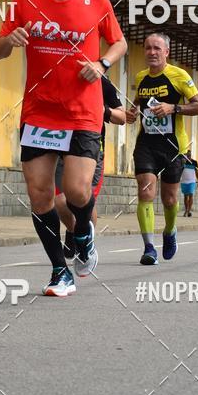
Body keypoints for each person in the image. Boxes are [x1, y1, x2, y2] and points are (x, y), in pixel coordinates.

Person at [0, 0, 127, 297]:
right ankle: (59, 271)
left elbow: (119, 43)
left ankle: (82, 232)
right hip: (39, 112)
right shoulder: (24, 0)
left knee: (77, 190)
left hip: (83, 110)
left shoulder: (96, 1)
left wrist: (101, 64)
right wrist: (9, 39)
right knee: (39, 196)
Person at [126, 33, 198, 265]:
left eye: (157, 48)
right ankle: (149, 247)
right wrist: (132, 111)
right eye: (148, 48)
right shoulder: (141, 77)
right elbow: (138, 101)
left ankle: (170, 231)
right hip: (147, 145)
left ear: (166, 52)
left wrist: (173, 108)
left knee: (169, 200)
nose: (152, 52)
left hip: (173, 146)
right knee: (145, 192)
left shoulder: (179, 75)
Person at [55, 74, 126, 259]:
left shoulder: (102, 82)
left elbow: (122, 116)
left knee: (83, 199)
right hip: (60, 146)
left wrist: (104, 110)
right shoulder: (60, 75)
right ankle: (73, 230)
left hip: (91, 150)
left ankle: (86, 244)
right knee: (60, 201)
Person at [180, 151, 198, 217]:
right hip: (184, 181)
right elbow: (179, 171)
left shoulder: (194, 162)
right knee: (186, 196)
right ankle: (186, 210)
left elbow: (196, 172)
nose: (188, 156)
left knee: (191, 195)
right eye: (186, 155)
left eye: (189, 155)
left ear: (191, 155)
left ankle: (189, 210)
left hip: (192, 181)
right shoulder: (183, 162)